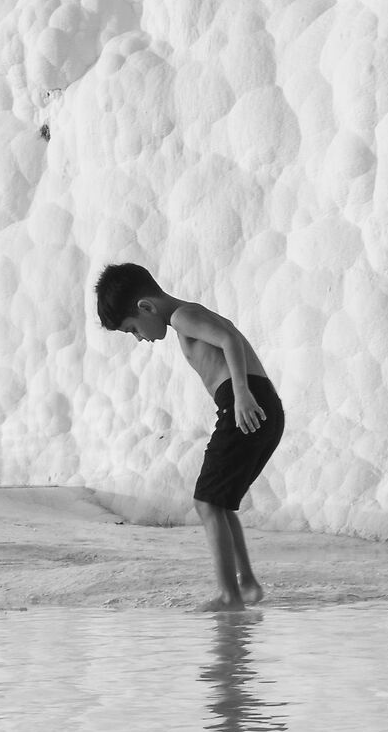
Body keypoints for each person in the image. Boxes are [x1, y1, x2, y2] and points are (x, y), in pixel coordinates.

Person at [94, 261, 284, 610]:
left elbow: (229, 340)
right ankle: (248, 585)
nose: (139, 338)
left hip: (243, 402)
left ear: (146, 307)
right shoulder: (190, 316)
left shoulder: (182, 317)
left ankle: (230, 595)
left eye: (132, 329)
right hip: (262, 404)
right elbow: (228, 334)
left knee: (206, 502)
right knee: (220, 503)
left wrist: (241, 393)